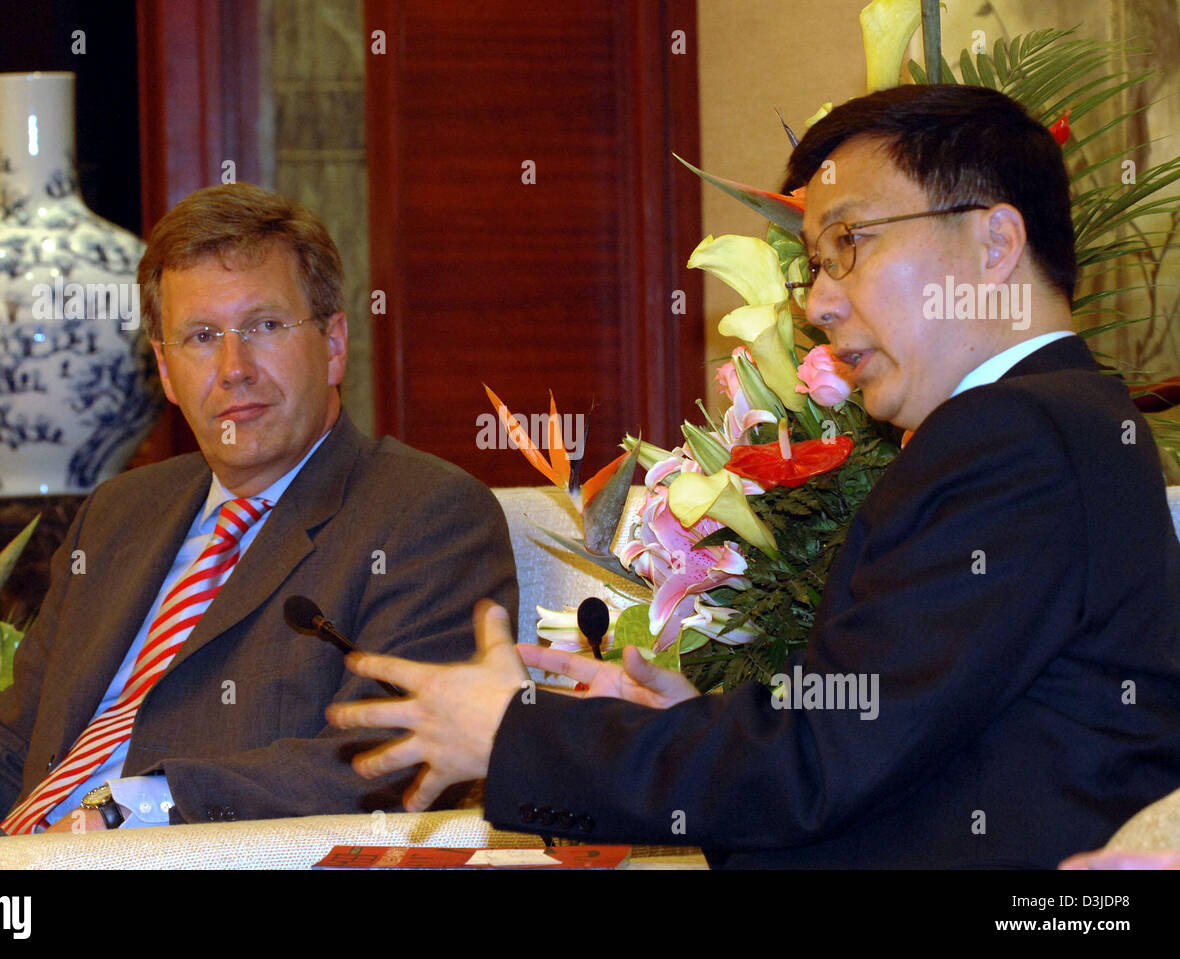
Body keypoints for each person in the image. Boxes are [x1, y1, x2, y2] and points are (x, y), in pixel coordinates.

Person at [327, 85, 1180, 868]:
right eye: (815, 261)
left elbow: (824, 762)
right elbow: (890, 753)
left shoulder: (1010, 434)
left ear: (995, 240)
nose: (818, 303)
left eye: (850, 242)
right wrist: (675, 726)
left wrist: (518, 732)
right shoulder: (1072, 417)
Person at [0, 183, 517, 868]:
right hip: (12, 872)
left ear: (334, 343)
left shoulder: (423, 514)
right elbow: (11, 737)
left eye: (265, 326)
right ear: (166, 370)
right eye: (202, 337)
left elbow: (389, 757)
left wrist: (134, 809)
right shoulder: (120, 513)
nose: (233, 369)